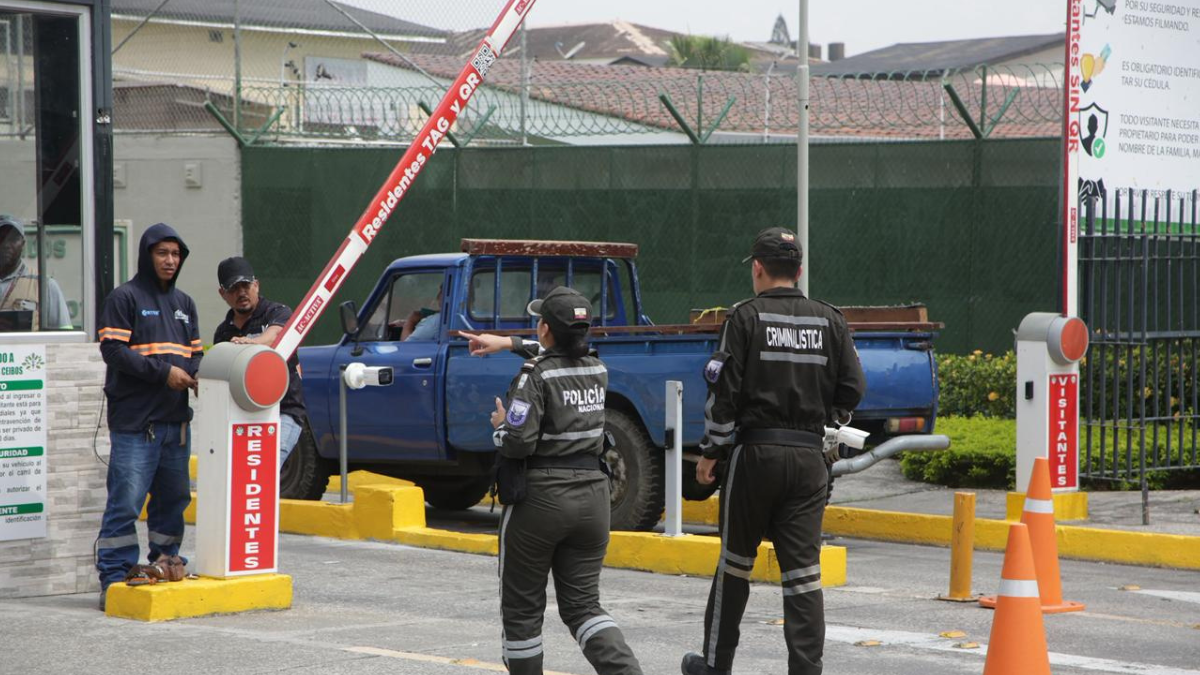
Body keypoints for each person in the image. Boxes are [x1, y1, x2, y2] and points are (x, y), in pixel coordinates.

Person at [681, 227, 866, 675]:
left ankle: (714, 665)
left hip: (755, 456)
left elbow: (723, 396)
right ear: (799, 270)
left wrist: (712, 452)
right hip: (808, 460)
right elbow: (853, 388)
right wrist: (827, 425)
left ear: (758, 269)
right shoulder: (830, 319)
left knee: (734, 566)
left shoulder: (744, 318)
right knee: (803, 575)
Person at [478, 287, 643, 675]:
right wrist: (508, 343)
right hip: (593, 499)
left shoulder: (534, 376)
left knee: (522, 611)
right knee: (584, 607)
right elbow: (556, 353)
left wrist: (501, 428)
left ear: (545, 329)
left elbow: (517, 444)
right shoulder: (596, 369)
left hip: (541, 500)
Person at [95, 223, 202, 610]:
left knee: (173, 502)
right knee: (125, 503)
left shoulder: (185, 304)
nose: (170, 261)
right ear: (147, 255)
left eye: (175, 254)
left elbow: (195, 354)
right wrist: (165, 373)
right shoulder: (125, 297)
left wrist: (202, 374)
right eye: (162, 253)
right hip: (136, 425)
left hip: (176, 425)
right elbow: (114, 352)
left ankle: (164, 561)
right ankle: (114, 576)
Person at [212, 257, 307, 466]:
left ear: (256, 285)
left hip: (284, 412)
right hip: (243, 417)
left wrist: (251, 342)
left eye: (245, 285)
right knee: (242, 474)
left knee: (266, 467)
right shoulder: (223, 331)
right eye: (234, 288)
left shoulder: (277, 312)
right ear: (223, 293)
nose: (242, 293)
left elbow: (275, 337)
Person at [0, 214, 74, 330]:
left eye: (13, 239)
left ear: (23, 244)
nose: (6, 245)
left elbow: (64, 338)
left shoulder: (45, 285)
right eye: (1, 238)